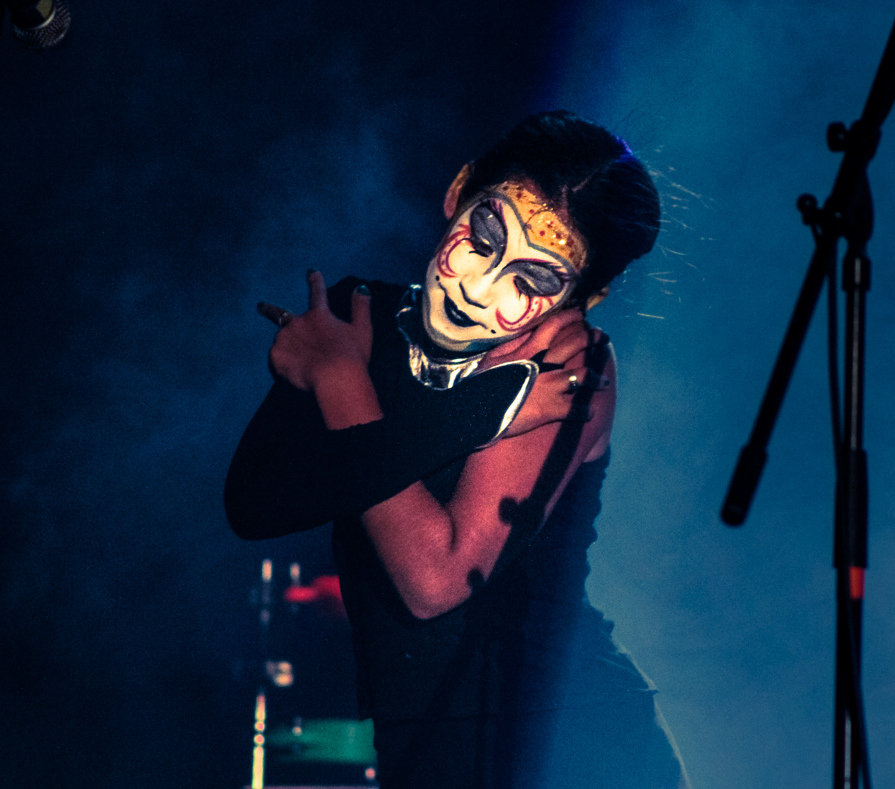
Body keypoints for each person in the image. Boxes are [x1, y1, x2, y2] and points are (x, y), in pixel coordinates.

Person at [225, 111, 688, 789]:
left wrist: (340, 381)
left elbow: (434, 581)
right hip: (421, 744)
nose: (479, 287)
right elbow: (252, 504)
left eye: (532, 282)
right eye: (484, 238)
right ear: (458, 191)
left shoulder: (570, 362)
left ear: (583, 299)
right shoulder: (355, 318)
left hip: (570, 741)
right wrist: (487, 410)